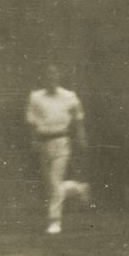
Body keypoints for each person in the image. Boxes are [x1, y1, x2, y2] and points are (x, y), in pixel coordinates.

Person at [25, 64, 89, 235]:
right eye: (47, 76)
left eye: (54, 75)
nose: (51, 79)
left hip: (61, 141)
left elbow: (78, 118)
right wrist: (34, 140)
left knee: (54, 182)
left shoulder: (69, 96)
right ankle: (78, 188)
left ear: (58, 77)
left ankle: (55, 221)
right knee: (50, 184)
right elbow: (32, 121)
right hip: (43, 143)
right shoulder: (36, 97)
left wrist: (81, 136)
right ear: (43, 78)